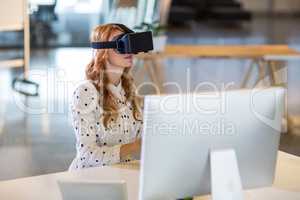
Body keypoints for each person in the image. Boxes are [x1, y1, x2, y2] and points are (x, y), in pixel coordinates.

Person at [69, 23, 143, 170]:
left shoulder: (128, 89)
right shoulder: (85, 92)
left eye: (128, 42)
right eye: (120, 43)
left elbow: (142, 132)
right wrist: (135, 146)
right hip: (91, 178)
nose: (128, 49)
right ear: (103, 51)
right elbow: (86, 155)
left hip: (122, 173)